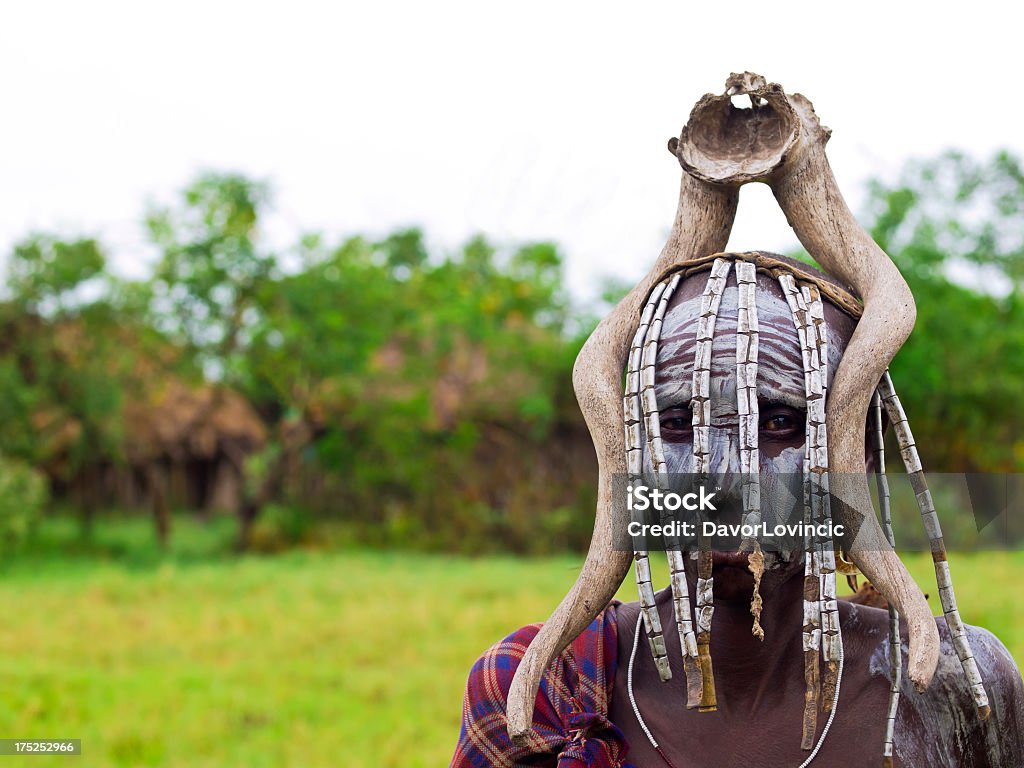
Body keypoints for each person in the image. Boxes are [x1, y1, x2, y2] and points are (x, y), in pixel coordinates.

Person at [450, 254, 1024, 767]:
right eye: (676, 425)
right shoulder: (537, 686)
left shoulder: (958, 689)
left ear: (861, 460)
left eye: (778, 424)